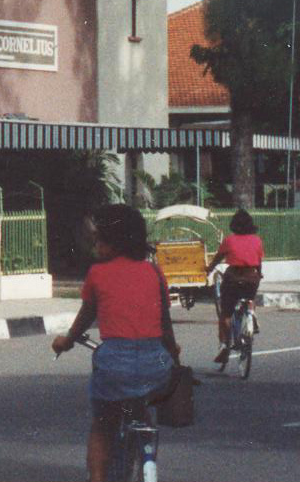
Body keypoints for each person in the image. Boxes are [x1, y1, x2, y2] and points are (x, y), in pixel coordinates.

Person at [51, 204, 182, 482]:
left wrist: (66, 342)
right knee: (143, 411)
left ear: (114, 242)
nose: (95, 245)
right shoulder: (154, 272)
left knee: (103, 425)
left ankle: (97, 478)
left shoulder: (98, 273)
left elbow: (85, 318)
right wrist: (173, 353)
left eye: (99, 239)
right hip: (155, 365)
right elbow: (165, 324)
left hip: (114, 366)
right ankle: (146, 456)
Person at [206, 209, 263, 364]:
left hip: (233, 278)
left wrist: (209, 269)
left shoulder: (229, 240)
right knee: (250, 297)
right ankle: (251, 314)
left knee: (225, 314)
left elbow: (218, 258)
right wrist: (259, 274)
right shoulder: (257, 240)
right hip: (251, 278)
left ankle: (225, 346)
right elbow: (259, 262)